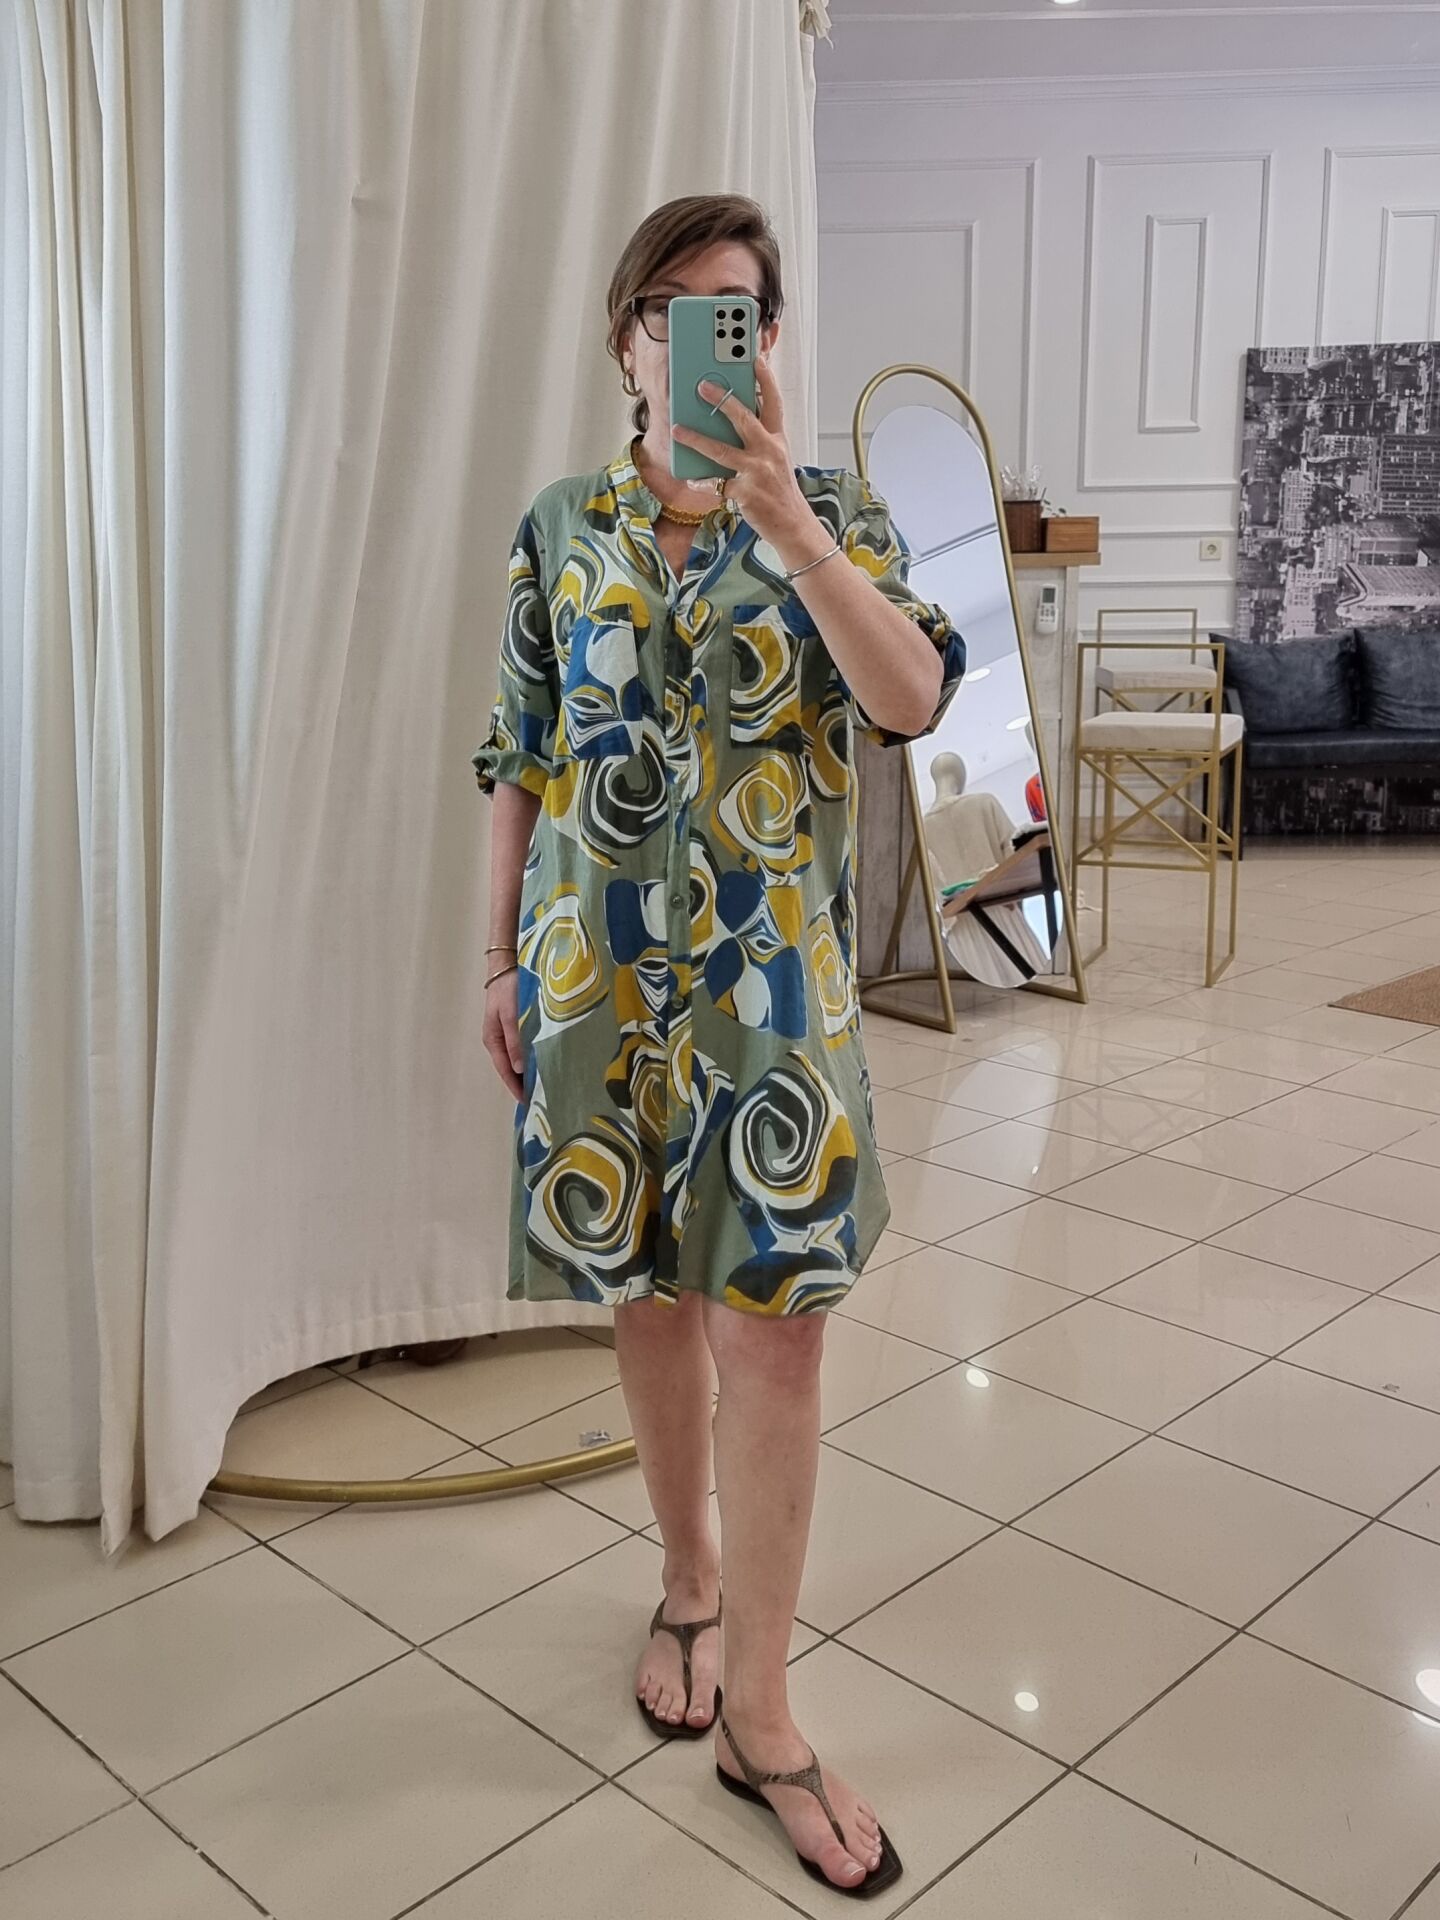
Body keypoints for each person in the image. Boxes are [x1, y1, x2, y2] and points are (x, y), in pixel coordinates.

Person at [472, 194, 963, 1898]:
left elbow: (909, 701)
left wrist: (792, 528)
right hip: (598, 986)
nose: (698, 336)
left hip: (773, 1003)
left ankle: (761, 1708)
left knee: (780, 1340)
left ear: (766, 345)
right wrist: (497, 958)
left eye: (733, 310)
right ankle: (686, 1579)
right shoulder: (560, 529)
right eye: (672, 308)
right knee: (645, 1296)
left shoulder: (839, 517)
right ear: (627, 340)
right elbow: (520, 755)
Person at [923, 750, 1016, 888]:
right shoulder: (984, 802)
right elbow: (1014, 851)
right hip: (1003, 895)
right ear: (960, 776)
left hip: (959, 902)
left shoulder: (922, 829)